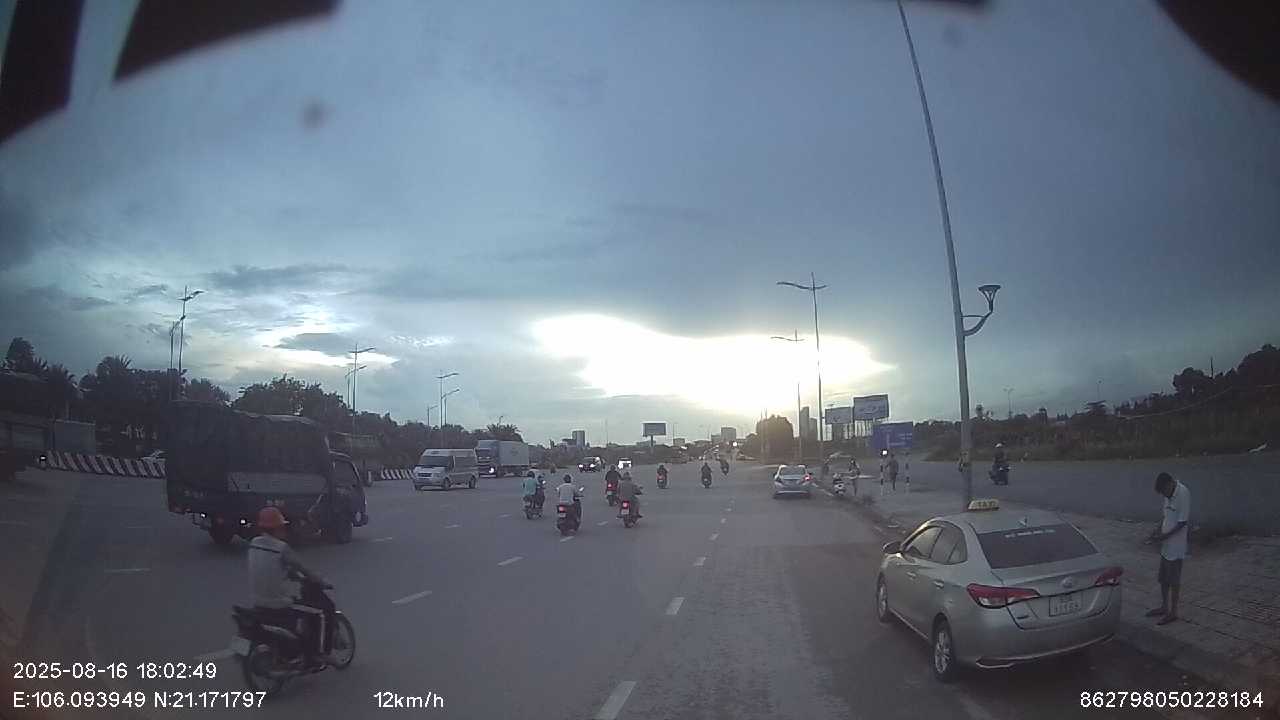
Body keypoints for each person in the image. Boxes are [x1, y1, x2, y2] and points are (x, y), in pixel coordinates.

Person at [248, 507, 332, 667]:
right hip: (278, 604)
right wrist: (321, 581)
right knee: (319, 614)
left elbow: (267, 567)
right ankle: (318, 655)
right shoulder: (281, 548)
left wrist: (288, 573)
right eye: (282, 527)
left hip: (257, 602)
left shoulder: (254, 543)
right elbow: (304, 569)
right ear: (277, 528)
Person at [1146, 472, 1190, 626]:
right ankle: (1164, 607)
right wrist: (1157, 531)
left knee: (1174, 580)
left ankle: (1173, 612)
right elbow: (1166, 517)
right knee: (1163, 579)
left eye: (1164, 491)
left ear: (1170, 483)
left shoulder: (1183, 493)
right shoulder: (1168, 494)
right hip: (1166, 546)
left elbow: (1182, 523)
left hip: (1176, 547)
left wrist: (1164, 536)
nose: (1164, 495)